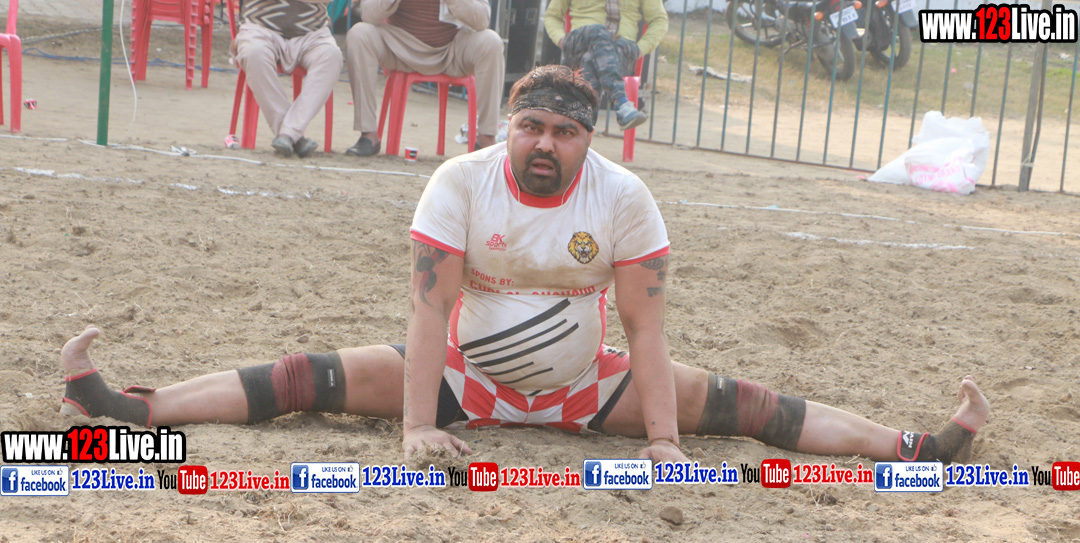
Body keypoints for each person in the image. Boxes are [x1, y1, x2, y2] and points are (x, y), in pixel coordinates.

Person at [59, 66, 988, 465]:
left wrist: (664, 441)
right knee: (307, 378)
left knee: (748, 409)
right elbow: (429, 314)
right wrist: (416, 426)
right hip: (462, 378)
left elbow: (647, 328)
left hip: (591, 387)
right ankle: (133, 407)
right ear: (508, 127)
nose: (545, 143)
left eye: (565, 132)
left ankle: (914, 448)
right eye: (531, 127)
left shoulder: (623, 196)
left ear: (589, 139)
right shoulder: (460, 181)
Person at [343, 0, 505, 156]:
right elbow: (368, 15)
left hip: (452, 49)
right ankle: (368, 134)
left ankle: (486, 138)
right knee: (359, 34)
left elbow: (482, 20)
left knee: (491, 42)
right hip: (399, 46)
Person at [231, 0, 344, 158]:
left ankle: (288, 134)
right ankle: (293, 135)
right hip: (259, 29)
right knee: (254, 53)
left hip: (313, 34)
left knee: (332, 56)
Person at [543, 0, 668, 132]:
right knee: (597, 31)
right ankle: (620, 102)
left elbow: (659, 20)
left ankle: (584, 124)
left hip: (620, 48)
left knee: (590, 59)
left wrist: (640, 49)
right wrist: (561, 40)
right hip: (580, 42)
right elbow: (552, 16)